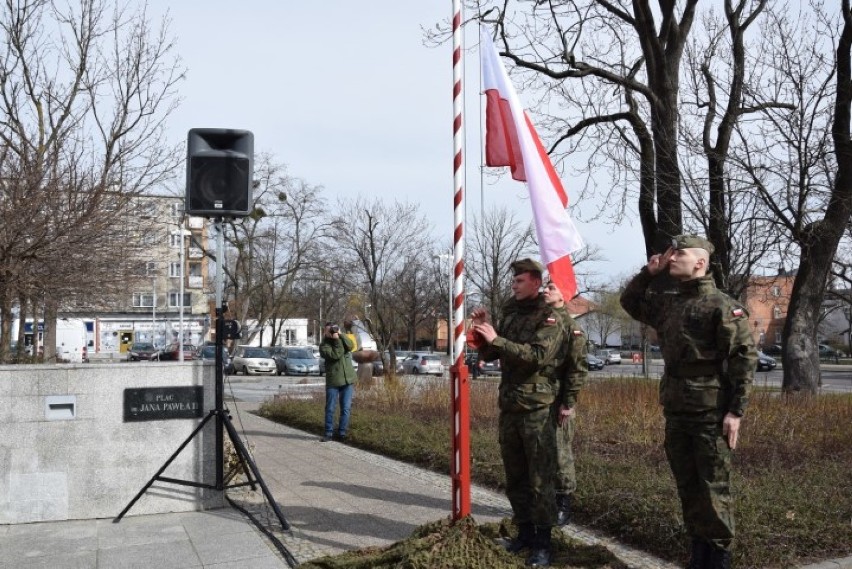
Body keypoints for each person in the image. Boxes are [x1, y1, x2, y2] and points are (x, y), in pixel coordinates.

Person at [620, 235, 757, 569]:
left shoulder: (723, 306)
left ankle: (718, 556)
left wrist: (735, 412)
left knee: (713, 486)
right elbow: (630, 301)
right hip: (677, 408)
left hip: (710, 410)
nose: (671, 258)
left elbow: (743, 359)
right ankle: (698, 553)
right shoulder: (670, 302)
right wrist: (648, 274)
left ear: (700, 262)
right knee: (687, 484)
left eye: (679, 253)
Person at [471, 258, 563, 568]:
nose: (514, 285)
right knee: (516, 478)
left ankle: (543, 544)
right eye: (513, 281)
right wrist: (483, 334)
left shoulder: (549, 316)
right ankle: (523, 534)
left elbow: (536, 356)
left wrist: (498, 338)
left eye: (519, 281)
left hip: (536, 408)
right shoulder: (511, 311)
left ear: (536, 283)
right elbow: (493, 353)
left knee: (540, 480)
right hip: (510, 405)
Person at [541, 280, 588, 527]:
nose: (545, 291)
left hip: (558, 397)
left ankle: (563, 503)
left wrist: (568, 402)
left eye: (551, 288)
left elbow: (577, 369)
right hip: (539, 397)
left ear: (563, 295)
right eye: (545, 287)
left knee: (560, 451)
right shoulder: (542, 324)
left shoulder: (572, 328)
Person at [318, 322, 357, 442]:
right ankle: (328, 433)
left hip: (347, 380)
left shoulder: (341, 338)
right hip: (333, 381)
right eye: (328, 330)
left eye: (333, 330)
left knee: (346, 408)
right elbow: (336, 355)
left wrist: (341, 335)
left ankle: (342, 433)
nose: (331, 332)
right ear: (325, 332)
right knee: (330, 408)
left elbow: (351, 346)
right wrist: (336, 340)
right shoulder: (324, 345)